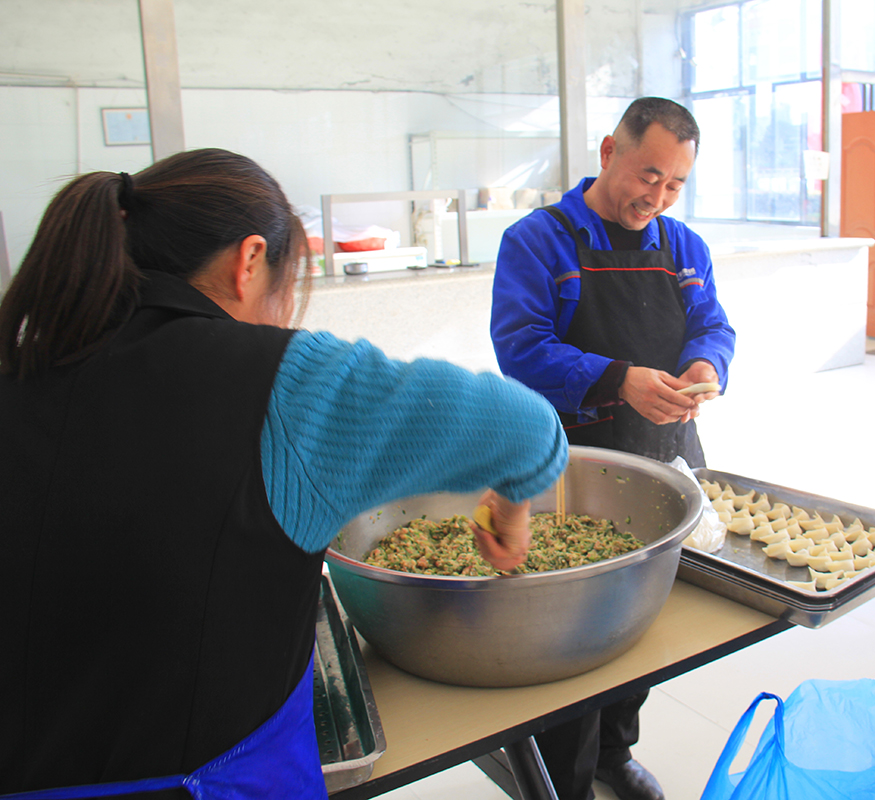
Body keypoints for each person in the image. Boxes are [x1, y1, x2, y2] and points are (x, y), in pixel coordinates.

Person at [0, 148, 568, 799]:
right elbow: (526, 431)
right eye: (285, 283)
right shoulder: (283, 384)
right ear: (247, 261)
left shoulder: (26, 364)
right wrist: (513, 518)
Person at [490, 97, 735, 800]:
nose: (655, 198)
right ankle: (559, 775)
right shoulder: (539, 241)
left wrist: (707, 366)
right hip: (569, 464)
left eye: (674, 186)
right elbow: (521, 348)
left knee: (646, 620)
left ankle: (613, 753)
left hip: (666, 454)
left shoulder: (684, 247)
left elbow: (713, 325)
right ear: (607, 153)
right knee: (574, 634)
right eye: (646, 176)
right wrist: (616, 378)